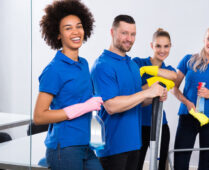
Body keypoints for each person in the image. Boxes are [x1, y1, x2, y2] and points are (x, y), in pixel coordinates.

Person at [91, 15, 167, 170]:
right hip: (113, 148)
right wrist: (146, 93)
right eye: (124, 33)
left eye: (133, 34)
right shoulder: (103, 65)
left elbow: (137, 101)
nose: (129, 39)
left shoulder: (132, 65)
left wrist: (154, 96)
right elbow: (111, 106)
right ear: (112, 32)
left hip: (134, 144)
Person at [33, 0, 103, 169]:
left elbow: (82, 97)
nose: (75, 31)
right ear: (58, 35)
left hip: (86, 145)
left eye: (79, 26)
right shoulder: (54, 70)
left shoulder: (84, 64)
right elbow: (39, 116)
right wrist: (81, 108)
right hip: (64, 148)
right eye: (68, 28)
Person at [173, 25, 209, 170]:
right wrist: (186, 102)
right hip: (188, 116)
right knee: (180, 162)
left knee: (206, 165)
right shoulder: (188, 60)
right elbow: (173, 88)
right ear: (204, 39)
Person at [133, 28, 177, 170]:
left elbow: (174, 77)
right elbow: (135, 93)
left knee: (161, 165)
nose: (162, 50)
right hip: (140, 125)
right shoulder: (138, 63)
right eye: (158, 46)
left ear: (170, 46)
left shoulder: (169, 70)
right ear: (152, 46)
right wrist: (153, 83)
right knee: (135, 164)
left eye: (166, 46)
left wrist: (151, 73)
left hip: (160, 124)